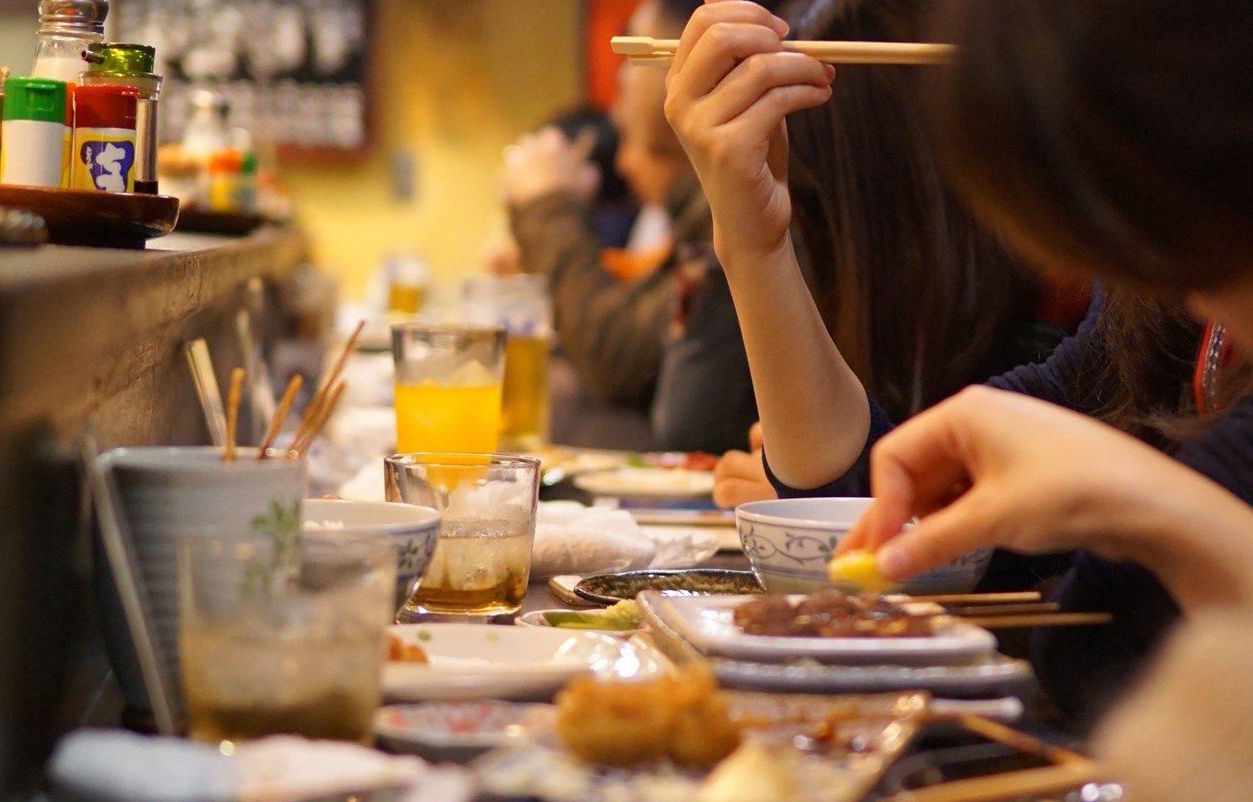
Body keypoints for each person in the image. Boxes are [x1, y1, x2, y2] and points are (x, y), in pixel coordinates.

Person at [663, 0, 1253, 725]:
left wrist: (1140, 506)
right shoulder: (1156, 309)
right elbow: (892, 502)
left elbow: (1114, 648)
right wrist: (752, 245)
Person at [709, 0, 1083, 509]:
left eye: (818, 211)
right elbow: (860, 486)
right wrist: (749, 242)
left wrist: (847, 497)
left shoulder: (1066, 300)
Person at [499, 0, 761, 455]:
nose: (618, 82)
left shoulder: (752, 204)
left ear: (702, 57)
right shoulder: (698, 210)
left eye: (636, 58)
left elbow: (617, 354)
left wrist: (547, 205)